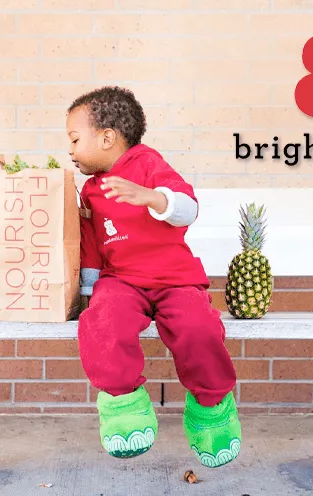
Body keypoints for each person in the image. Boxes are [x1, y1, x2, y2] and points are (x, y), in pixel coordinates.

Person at [65, 86, 241, 469]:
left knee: (198, 328)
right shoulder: (91, 191)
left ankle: (211, 408)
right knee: (103, 320)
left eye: (75, 139)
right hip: (121, 281)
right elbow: (92, 246)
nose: (71, 151)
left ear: (107, 138)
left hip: (174, 278)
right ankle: (124, 405)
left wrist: (152, 197)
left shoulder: (147, 163)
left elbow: (188, 208)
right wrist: (87, 292)